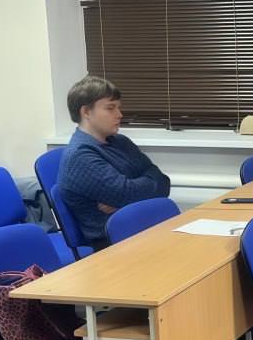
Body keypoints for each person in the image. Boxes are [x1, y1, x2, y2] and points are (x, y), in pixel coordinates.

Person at [57, 76, 170, 249]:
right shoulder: (80, 156)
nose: (119, 114)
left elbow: (163, 182)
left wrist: (128, 199)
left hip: (143, 228)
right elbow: (127, 193)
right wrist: (135, 191)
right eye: (110, 108)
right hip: (113, 244)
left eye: (118, 107)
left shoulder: (120, 142)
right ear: (86, 112)